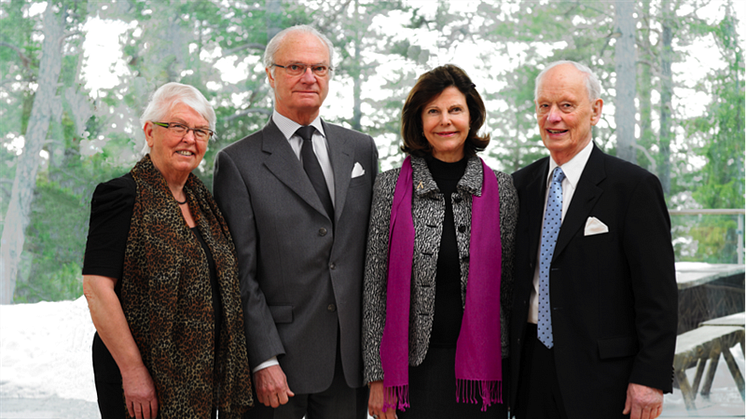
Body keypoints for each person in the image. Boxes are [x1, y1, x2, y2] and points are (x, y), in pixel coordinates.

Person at [212, 25, 379, 419]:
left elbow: (373, 257)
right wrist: (262, 359)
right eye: (295, 67)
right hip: (278, 363)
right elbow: (238, 273)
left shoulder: (360, 149)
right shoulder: (238, 161)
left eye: (320, 68)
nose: (309, 78)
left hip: (348, 362)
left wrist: (376, 359)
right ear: (270, 73)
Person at [509, 60, 678, 419]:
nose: (553, 117)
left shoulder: (632, 188)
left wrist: (650, 377)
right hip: (529, 372)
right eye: (544, 106)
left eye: (566, 105)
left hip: (605, 378)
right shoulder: (518, 186)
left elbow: (658, 296)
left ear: (596, 111)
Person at [82, 82, 253, 419]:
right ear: (150, 132)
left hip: (201, 380)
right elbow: (97, 289)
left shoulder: (205, 204)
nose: (190, 139)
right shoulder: (121, 195)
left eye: (201, 131)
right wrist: (133, 373)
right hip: (139, 376)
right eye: (178, 127)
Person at [363, 64, 517, 419]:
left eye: (455, 110)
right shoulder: (389, 187)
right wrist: (377, 375)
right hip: (411, 370)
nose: (444, 121)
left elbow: (509, 287)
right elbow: (374, 287)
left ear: (471, 116)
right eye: (433, 111)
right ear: (419, 120)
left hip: (485, 372)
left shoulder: (502, 189)